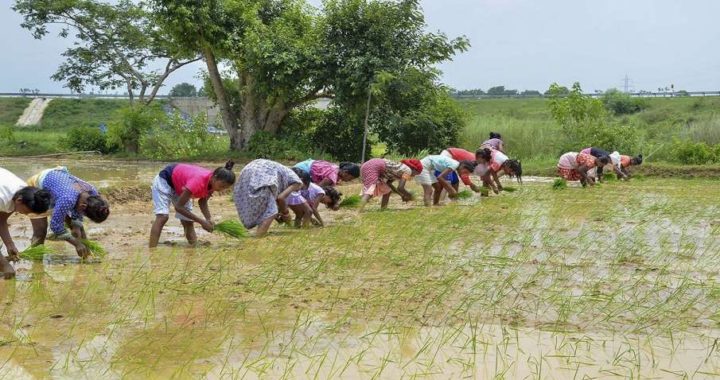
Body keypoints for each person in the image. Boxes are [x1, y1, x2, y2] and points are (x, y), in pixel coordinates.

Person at [26, 167, 110, 258]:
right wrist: (77, 244)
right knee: (40, 231)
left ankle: (87, 254)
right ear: (83, 206)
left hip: (59, 186)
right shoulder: (68, 199)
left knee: (78, 226)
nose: (83, 215)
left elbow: (77, 217)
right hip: (37, 186)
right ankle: (36, 260)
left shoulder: (92, 193)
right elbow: (55, 226)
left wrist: (77, 227)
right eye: (85, 214)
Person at [149, 161, 236, 248]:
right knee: (162, 217)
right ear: (214, 177)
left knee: (188, 222)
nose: (222, 189)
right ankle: (152, 251)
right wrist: (202, 222)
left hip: (181, 186)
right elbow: (179, 207)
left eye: (225, 188)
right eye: (222, 186)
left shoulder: (213, 184)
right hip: (165, 180)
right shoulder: (198, 181)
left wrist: (208, 218)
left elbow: (202, 201)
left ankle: (193, 249)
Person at [0, 167, 53, 279]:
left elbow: (1, 220)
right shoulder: (2, 198)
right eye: (26, 211)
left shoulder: (24, 192)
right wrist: (4, 264)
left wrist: (10, 244)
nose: (24, 214)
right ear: (19, 201)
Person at [233, 159, 304, 237]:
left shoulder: (285, 173)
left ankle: (258, 235)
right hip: (260, 177)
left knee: (268, 209)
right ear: (301, 180)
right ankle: (258, 238)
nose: (297, 191)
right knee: (271, 212)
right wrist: (286, 214)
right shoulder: (298, 182)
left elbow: (275, 200)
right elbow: (280, 198)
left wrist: (279, 214)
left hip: (247, 173)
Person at [293, 159, 360, 186]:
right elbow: (317, 188)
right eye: (350, 178)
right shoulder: (332, 177)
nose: (349, 181)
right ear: (345, 172)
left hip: (304, 165)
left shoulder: (336, 169)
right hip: (302, 170)